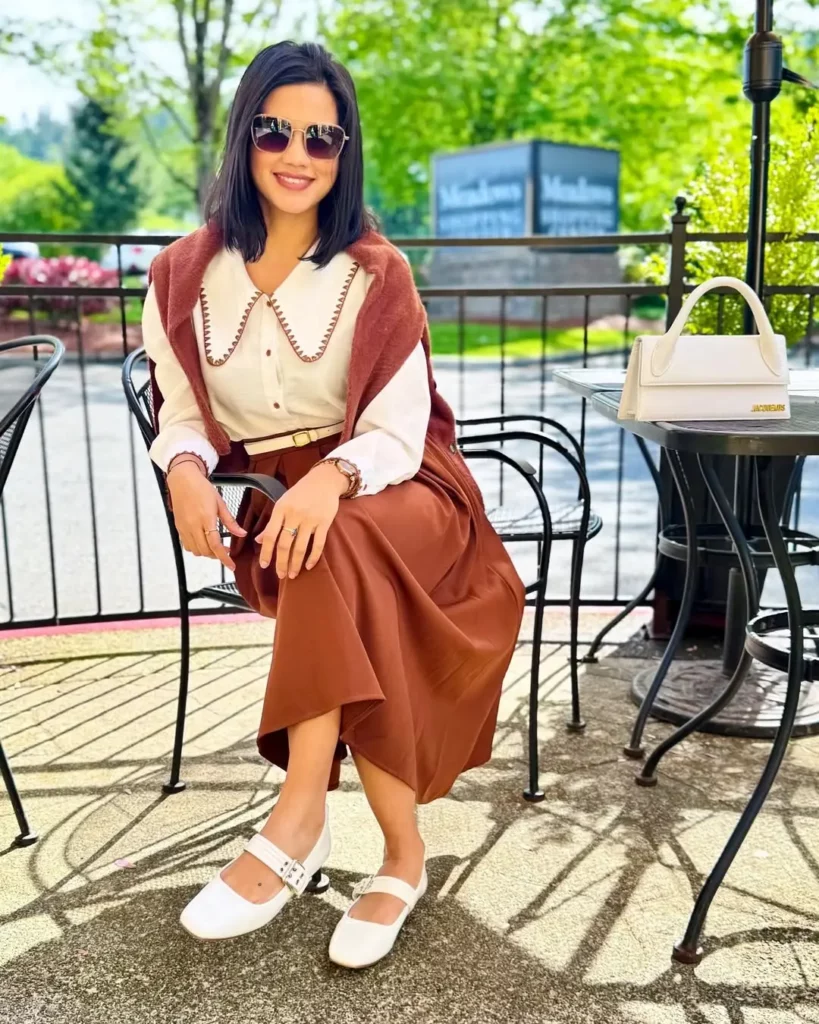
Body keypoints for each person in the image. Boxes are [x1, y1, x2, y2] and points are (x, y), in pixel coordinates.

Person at [142, 39, 525, 969]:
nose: (298, 153)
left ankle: (297, 818)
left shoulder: (373, 271)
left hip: (399, 485)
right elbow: (181, 415)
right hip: (275, 500)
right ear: (244, 138)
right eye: (276, 129)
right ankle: (401, 856)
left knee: (334, 543)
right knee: (333, 564)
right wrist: (185, 472)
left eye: (323, 136)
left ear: (343, 151)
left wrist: (331, 477)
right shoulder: (181, 276)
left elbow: (398, 429)